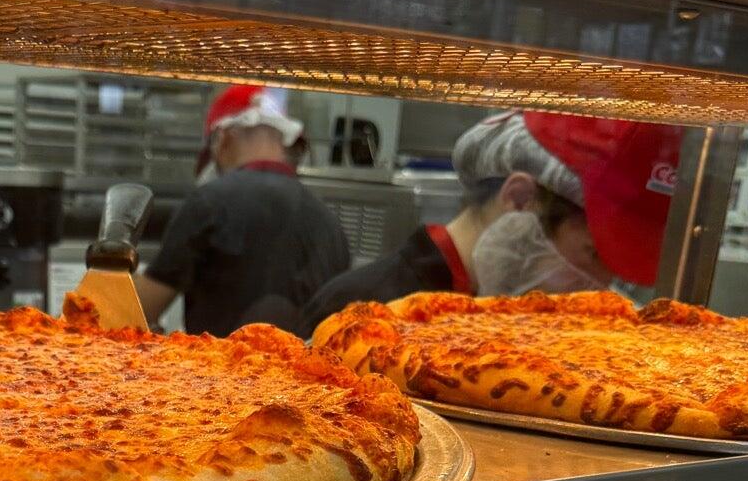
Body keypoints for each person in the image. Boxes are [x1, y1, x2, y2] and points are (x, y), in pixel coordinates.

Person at [299, 109, 683, 332]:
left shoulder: (526, 323)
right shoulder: (359, 311)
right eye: (594, 255)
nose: (601, 287)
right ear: (519, 199)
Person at [134, 83, 350, 335]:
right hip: (305, 361)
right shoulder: (330, 223)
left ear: (222, 138)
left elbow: (140, 310)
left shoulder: (209, 202)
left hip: (219, 360)